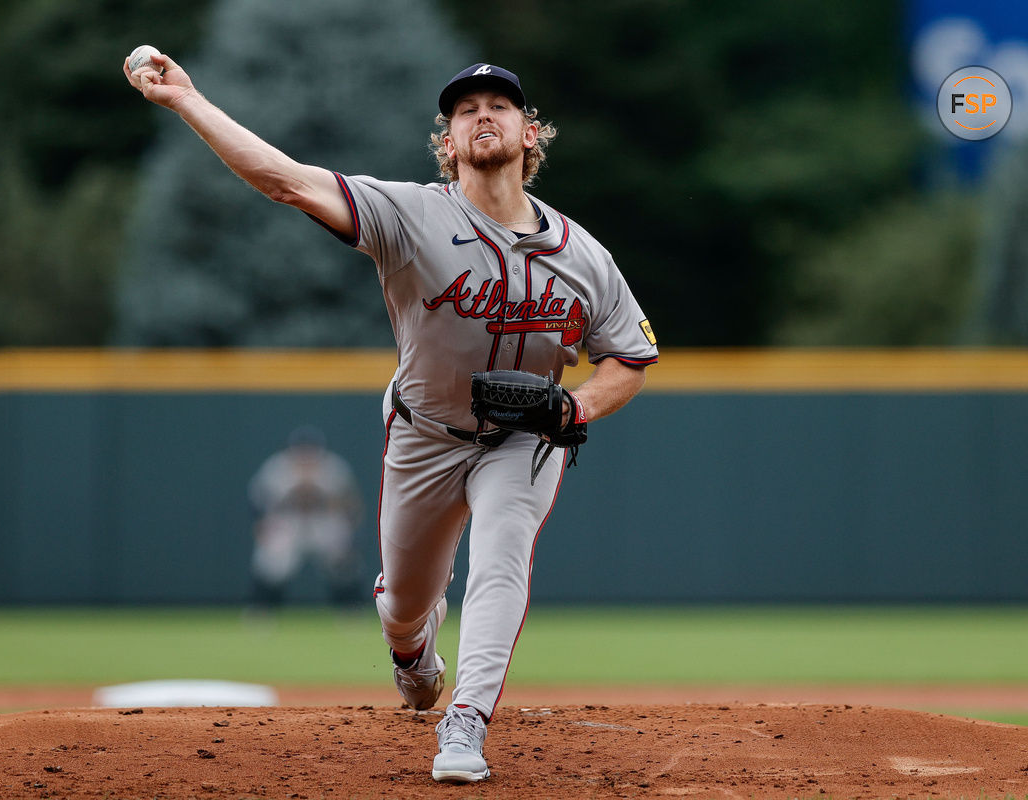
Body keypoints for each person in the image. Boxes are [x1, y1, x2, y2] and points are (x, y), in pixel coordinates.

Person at [125, 55, 659, 784]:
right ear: (447, 143)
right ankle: (413, 650)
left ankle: (465, 721)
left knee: (502, 558)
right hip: (425, 435)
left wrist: (575, 405)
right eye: (464, 109)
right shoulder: (411, 214)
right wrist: (189, 99)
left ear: (530, 134)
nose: (481, 115)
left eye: (498, 105)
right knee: (407, 604)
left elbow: (629, 357)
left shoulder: (583, 256)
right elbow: (285, 179)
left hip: (523, 443)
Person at [247, 426, 363, 607]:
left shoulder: (333, 468)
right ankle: (262, 609)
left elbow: (350, 502)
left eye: (311, 449)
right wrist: (261, 525)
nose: (306, 454)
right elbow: (258, 501)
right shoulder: (277, 468)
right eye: (301, 450)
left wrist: (349, 530)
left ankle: (351, 608)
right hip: (288, 521)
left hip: (323, 520)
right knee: (272, 562)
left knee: (342, 561)